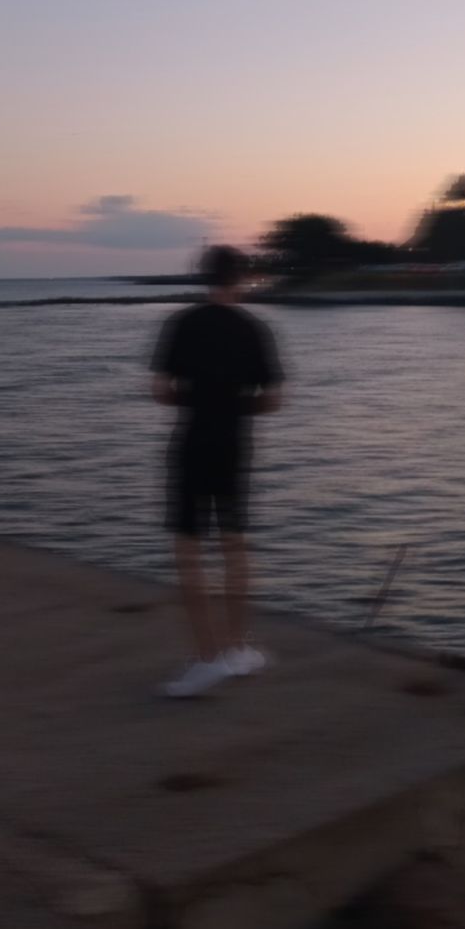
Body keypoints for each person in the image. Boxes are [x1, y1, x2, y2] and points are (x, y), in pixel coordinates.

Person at [151, 245, 283, 697]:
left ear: (204, 277)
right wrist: (235, 405)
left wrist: (198, 401)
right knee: (234, 544)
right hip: (234, 444)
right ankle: (236, 649)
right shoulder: (255, 330)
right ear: (243, 278)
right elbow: (274, 399)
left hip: (191, 442)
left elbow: (160, 390)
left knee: (189, 549)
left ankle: (206, 658)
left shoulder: (181, 324)